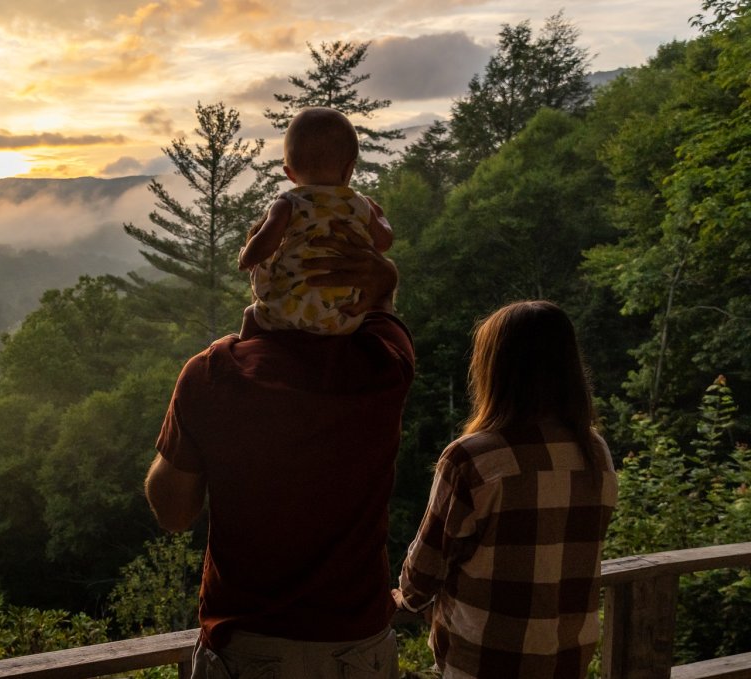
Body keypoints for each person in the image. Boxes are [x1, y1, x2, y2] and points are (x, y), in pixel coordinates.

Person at [145, 225, 412, 679]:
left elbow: (172, 511)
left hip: (249, 645)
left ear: (262, 280)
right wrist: (383, 288)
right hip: (357, 647)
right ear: (354, 287)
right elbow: (381, 312)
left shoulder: (213, 372)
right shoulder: (384, 365)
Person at [394, 300, 618, 679]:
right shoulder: (594, 451)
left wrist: (405, 598)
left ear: (495, 368)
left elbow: (425, 569)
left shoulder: (473, 457)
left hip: (485, 661)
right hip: (567, 657)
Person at [238, 106, 394, 339]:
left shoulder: (288, 203)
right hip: (343, 317)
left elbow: (266, 242)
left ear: (290, 174)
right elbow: (383, 242)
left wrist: (245, 257)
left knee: (252, 315)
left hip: (287, 310)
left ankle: (245, 347)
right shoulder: (360, 205)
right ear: (349, 169)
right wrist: (379, 216)